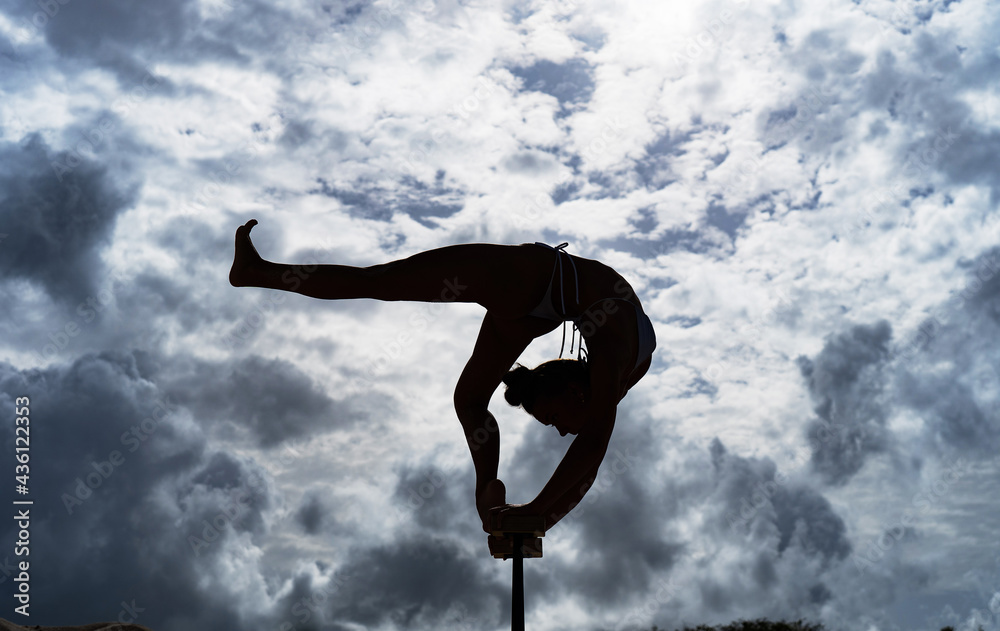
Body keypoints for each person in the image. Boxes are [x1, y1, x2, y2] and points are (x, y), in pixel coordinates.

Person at [229, 219, 656, 533]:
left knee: (469, 400)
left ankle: (484, 486)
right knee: (381, 281)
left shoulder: (608, 375)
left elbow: (587, 460)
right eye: (555, 422)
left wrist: (535, 520)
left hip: (541, 309)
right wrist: (538, 513)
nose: (561, 432)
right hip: (533, 276)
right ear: (574, 394)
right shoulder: (612, 357)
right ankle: (254, 272)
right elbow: (592, 448)